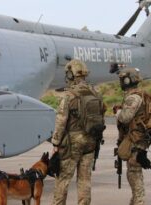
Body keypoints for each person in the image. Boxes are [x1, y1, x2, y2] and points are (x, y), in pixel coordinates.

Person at [51, 59, 106, 205]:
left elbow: (61, 120)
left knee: (63, 178)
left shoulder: (69, 95)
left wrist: (55, 143)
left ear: (70, 75)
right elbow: (101, 116)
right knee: (85, 179)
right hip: (91, 142)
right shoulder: (96, 93)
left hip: (72, 143)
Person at [114, 68, 151, 205]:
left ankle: (139, 202)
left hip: (136, 140)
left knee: (134, 174)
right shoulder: (139, 95)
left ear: (127, 80)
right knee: (134, 173)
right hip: (138, 139)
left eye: (122, 79)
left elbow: (125, 118)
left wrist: (117, 112)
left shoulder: (133, 97)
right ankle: (135, 201)